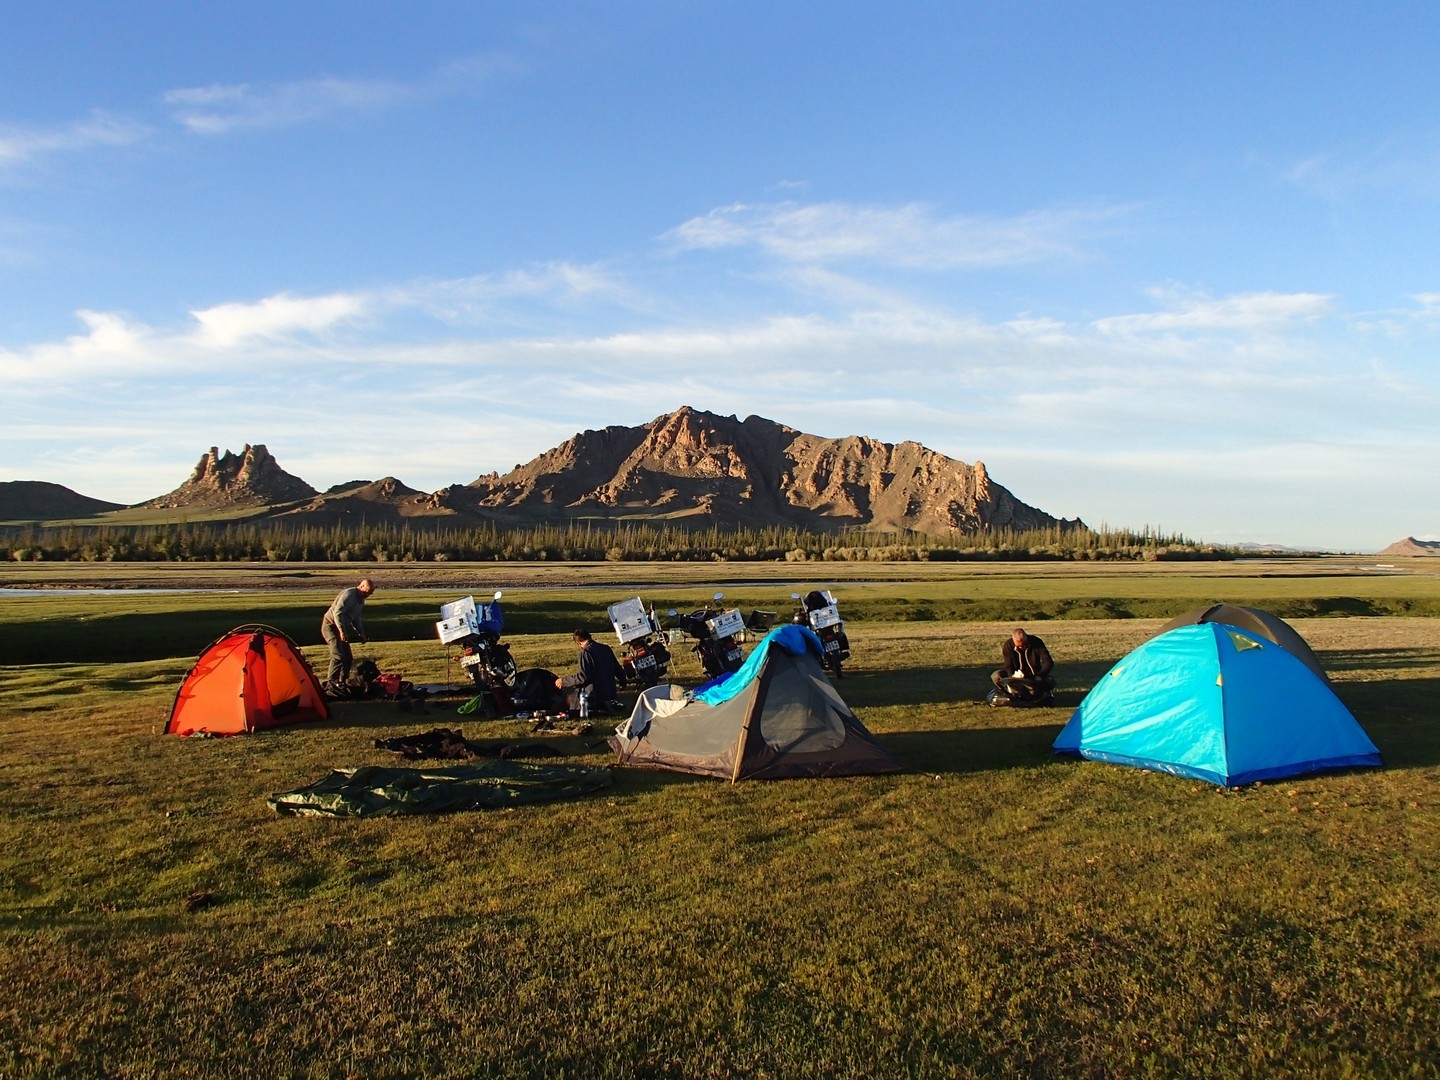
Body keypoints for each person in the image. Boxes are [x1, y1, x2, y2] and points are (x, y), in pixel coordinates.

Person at [321, 578, 375, 693]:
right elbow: (337, 613)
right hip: (330, 626)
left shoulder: (361, 600)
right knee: (338, 656)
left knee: (348, 658)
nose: (368, 595)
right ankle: (331, 683)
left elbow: (355, 618)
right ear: (361, 586)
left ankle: (342, 681)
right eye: (367, 592)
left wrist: (361, 633)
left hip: (341, 628)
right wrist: (341, 631)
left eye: (370, 593)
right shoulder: (349, 595)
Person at [555, 628, 626, 715]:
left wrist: (564, 681)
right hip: (610, 694)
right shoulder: (606, 648)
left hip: (594, 696)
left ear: (578, 643)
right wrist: (623, 682)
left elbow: (583, 677)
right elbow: (618, 669)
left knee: (565, 698)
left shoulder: (586, 653)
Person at [991, 627, 1056, 704]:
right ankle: (1007, 692)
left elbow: (1048, 662)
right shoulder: (1008, 646)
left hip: (1034, 676)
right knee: (996, 676)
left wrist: (1040, 675)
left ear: (1026, 639)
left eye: (1024, 645)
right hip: (1015, 676)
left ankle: (1039, 693)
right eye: (1018, 646)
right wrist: (1012, 675)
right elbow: (1008, 665)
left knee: (1050, 680)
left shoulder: (1037, 642)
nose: (1021, 647)